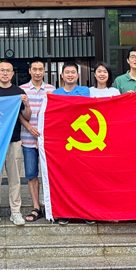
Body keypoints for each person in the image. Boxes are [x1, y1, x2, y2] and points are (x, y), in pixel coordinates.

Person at [0, 60, 32, 227]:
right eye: (2, 70)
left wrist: (26, 104)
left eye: (8, 71)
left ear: (12, 74)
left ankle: (15, 211)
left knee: (15, 178)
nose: (5, 73)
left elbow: (27, 116)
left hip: (14, 140)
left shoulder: (19, 92)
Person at [52, 62, 92, 225]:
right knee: (64, 177)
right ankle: (64, 212)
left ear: (78, 75)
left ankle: (85, 211)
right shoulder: (55, 93)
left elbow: (79, 107)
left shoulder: (84, 90)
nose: (70, 75)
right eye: (67, 72)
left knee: (83, 177)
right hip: (63, 140)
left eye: (73, 72)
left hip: (82, 140)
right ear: (62, 75)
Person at [19, 58, 55, 223]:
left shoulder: (52, 90)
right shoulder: (22, 90)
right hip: (28, 139)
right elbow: (18, 114)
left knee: (51, 174)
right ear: (30, 71)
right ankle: (36, 207)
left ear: (44, 71)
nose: (38, 72)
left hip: (48, 141)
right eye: (35, 69)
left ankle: (52, 205)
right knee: (32, 174)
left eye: (41, 69)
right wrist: (29, 127)